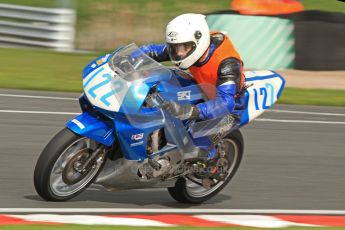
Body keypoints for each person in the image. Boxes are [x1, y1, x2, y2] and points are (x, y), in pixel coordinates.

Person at [140, 13, 245, 160]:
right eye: (175, 47)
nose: (179, 53)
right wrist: (129, 56)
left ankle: (209, 159)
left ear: (199, 41)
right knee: (158, 83)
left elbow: (226, 103)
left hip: (227, 108)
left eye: (185, 47)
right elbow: (153, 51)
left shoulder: (227, 63)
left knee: (191, 147)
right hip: (200, 88)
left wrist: (190, 110)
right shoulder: (188, 46)